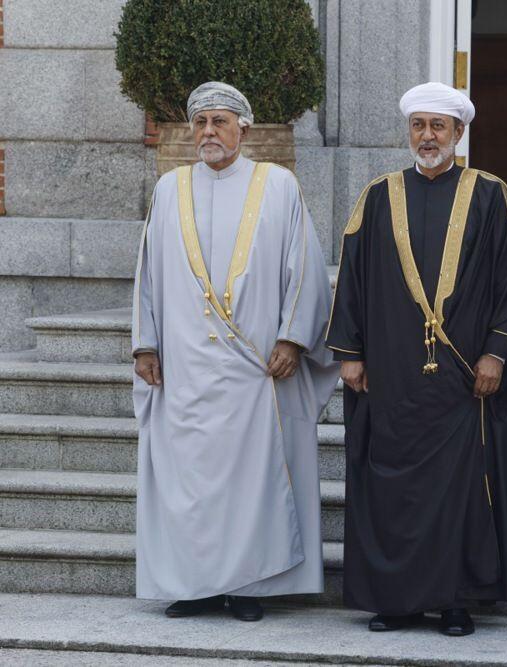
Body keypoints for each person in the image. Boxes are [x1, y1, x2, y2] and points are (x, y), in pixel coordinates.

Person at [326, 81, 507, 637]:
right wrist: (350, 353)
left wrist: (497, 353)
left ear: (459, 133)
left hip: (465, 381)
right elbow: (352, 280)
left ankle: (456, 600)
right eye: (419, 125)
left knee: (460, 491)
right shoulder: (377, 195)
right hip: (391, 376)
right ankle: (397, 600)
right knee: (393, 489)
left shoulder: (491, 195)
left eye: (438, 126)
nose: (427, 136)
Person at [131, 81, 339, 622]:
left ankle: (249, 586)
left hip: (257, 370)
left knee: (253, 480)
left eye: (219, 122)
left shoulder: (279, 186)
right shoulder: (170, 189)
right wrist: (145, 345)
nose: (208, 133)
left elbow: (305, 267)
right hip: (185, 367)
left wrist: (294, 337)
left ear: (242, 128)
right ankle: (196, 584)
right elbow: (147, 276)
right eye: (200, 123)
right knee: (191, 479)